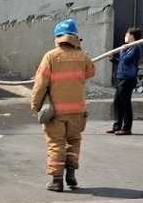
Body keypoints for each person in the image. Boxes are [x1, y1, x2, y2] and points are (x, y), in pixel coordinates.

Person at [30, 19, 96, 192]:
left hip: (56, 112)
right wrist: (79, 53)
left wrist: (35, 106)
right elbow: (91, 71)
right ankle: (71, 172)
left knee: (56, 143)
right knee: (74, 140)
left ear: (57, 37)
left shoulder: (50, 56)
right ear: (75, 37)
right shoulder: (82, 56)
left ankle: (57, 180)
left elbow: (40, 84)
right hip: (78, 111)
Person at [108, 27, 141, 135]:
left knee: (125, 103)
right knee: (117, 102)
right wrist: (113, 59)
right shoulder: (128, 47)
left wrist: (122, 51)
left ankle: (127, 128)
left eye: (127, 34)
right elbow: (122, 62)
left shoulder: (135, 47)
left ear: (131, 36)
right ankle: (117, 126)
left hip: (128, 79)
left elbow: (127, 60)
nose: (125, 36)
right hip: (121, 77)